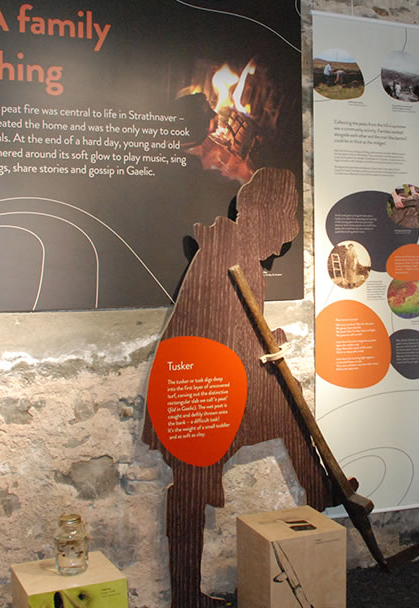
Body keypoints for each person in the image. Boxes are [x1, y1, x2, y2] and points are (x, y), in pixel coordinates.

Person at [142, 168, 331, 608]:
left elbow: (236, 325)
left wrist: (266, 340)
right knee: (190, 484)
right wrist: (255, 347)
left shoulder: (241, 254)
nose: (281, 244)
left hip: (221, 379)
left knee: (287, 406)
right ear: (264, 216)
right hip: (195, 392)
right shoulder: (228, 254)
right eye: (281, 231)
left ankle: (321, 492)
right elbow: (209, 328)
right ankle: (186, 596)